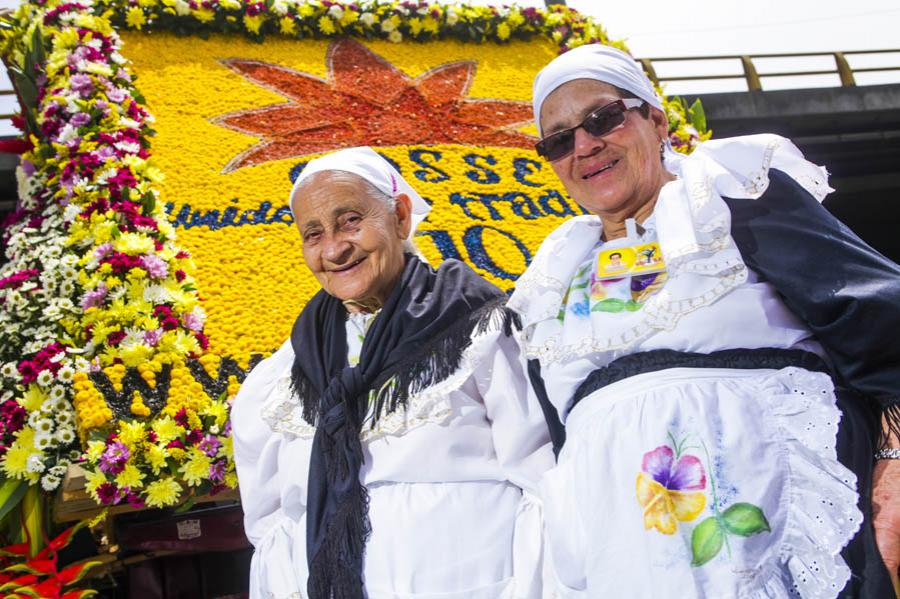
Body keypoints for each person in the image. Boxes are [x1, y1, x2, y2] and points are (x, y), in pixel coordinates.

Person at [509, 44, 900, 598]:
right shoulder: (551, 278)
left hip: (776, 527)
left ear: (657, 120)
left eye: (604, 118)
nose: (585, 145)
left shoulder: (728, 196)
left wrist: (895, 470)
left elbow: (884, 318)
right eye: (558, 139)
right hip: (622, 553)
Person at [231, 147, 554, 599]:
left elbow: (542, 478)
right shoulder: (283, 377)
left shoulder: (478, 330)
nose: (334, 248)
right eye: (313, 233)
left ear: (400, 217)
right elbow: (273, 529)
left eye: (350, 221)